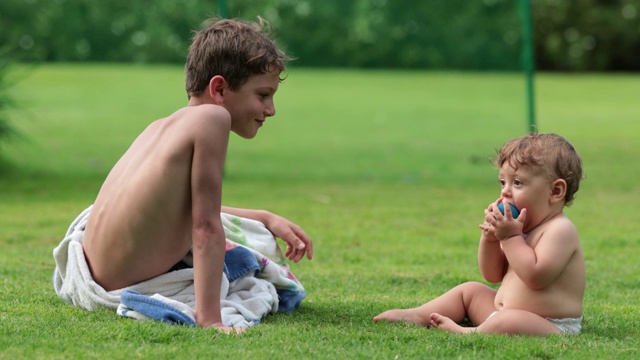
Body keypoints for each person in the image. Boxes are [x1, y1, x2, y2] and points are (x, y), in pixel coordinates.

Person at [80, 17, 313, 333]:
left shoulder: (161, 126)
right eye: (263, 95)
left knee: (243, 232)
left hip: (91, 276)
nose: (270, 109)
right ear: (219, 88)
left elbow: (172, 210)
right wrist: (211, 320)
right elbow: (204, 226)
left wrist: (264, 216)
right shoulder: (212, 118)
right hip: (126, 285)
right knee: (246, 260)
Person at [374, 133, 585, 336]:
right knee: (470, 291)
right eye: (503, 182)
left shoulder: (559, 230)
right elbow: (492, 275)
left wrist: (510, 238)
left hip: (548, 324)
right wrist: (491, 239)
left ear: (555, 191)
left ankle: (468, 332)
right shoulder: (519, 228)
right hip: (501, 313)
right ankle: (419, 315)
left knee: (507, 321)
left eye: (517, 183)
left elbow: (535, 277)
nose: (505, 192)